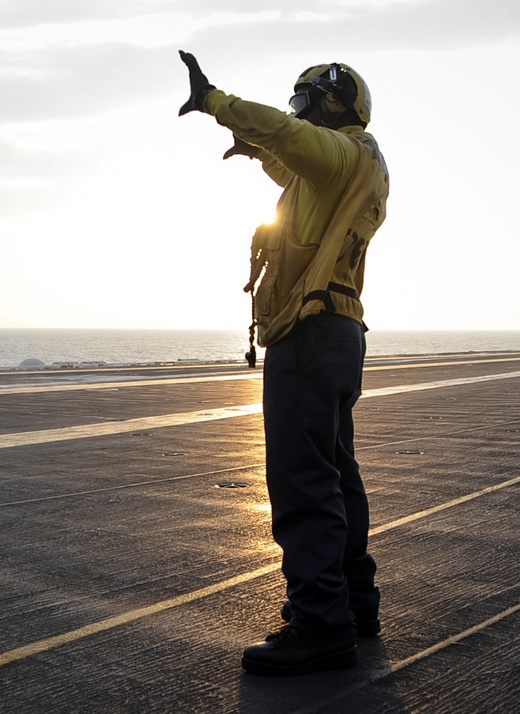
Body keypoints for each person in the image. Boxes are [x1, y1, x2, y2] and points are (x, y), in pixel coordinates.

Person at [178, 52, 389, 676]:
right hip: (340, 332)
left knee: (303, 480)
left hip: (309, 333)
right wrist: (258, 152)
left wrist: (217, 103)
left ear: (331, 101)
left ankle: (321, 626)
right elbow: (296, 166)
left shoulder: (343, 152)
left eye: (303, 101)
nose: (297, 113)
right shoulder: (358, 163)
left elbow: (295, 141)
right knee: (337, 475)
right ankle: (355, 603)